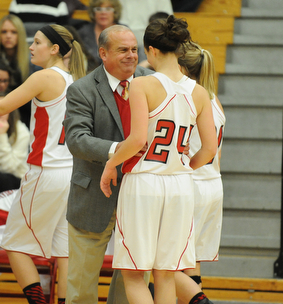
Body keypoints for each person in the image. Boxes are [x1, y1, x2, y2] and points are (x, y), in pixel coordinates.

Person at [100, 15, 217, 304]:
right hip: (180, 186)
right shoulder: (200, 92)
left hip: (145, 183)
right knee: (166, 273)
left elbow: (138, 140)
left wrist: (110, 162)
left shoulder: (141, 85)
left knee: (134, 274)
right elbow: (209, 150)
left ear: (150, 50)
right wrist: (180, 167)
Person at [63, 24, 153, 304]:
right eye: (123, 50)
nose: (131, 56)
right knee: (81, 288)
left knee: (133, 284)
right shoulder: (82, 89)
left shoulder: (152, 82)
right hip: (92, 193)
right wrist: (120, 152)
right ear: (103, 53)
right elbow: (76, 139)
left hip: (140, 194)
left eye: (135, 49)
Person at [0, 24, 85, 304]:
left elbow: (3, 106)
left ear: (55, 49)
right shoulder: (74, 80)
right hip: (71, 173)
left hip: (45, 171)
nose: (32, 47)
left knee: (13, 243)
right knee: (63, 250)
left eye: (37, 42)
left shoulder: (44, 77)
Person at [175, 42, 226, 302]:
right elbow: (217, 153)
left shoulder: (188, 96)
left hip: (192, 184)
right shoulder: (213, 98)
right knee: (191, 260)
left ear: (182, 67)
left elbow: (206, 150)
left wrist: (185, 168)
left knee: (164, 262)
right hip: (214, 184)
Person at [0, 14, 31, 127]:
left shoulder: (31, 60)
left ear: (20, 34)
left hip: (24, 115)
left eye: (13, 32)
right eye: (4, 32)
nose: (8, 36)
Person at [78, 0, 122, 65]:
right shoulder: (83, 33)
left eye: (108, 9)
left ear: (115, 12)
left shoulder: (124, 31)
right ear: (93, 13)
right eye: (98, 9)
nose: (103, 12)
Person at [0, 96, 29, 192]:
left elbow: (8, 167)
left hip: (16, 178)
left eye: (3, 109)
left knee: (2, 179)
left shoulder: (22, 132)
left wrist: (2, 135)